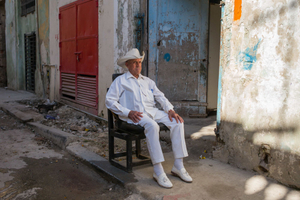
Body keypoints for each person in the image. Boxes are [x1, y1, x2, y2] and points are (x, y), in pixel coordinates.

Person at [105, 48, 192, 189]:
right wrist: (127, 112)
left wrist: (170, 110)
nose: (138, 65)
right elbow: (109, 101)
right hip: (135, 115)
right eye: (134, 63)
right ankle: (158, 171)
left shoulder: (148, 81)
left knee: (177, 122)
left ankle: (178, 166)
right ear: (127, 65)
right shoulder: (121, 81)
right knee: (153, 126)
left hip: (152, 111)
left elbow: (160, 96)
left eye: (139, 62)